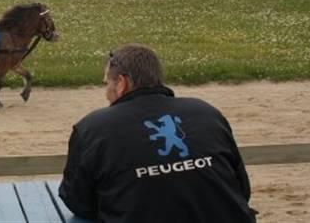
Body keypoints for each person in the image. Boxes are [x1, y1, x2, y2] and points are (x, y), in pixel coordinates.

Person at [59, 44, 256, 223]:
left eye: (106, 84)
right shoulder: (206, 112)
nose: (107, 92)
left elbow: (78, 202)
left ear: (121, 83)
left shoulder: (92, 127)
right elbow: (241, 188)